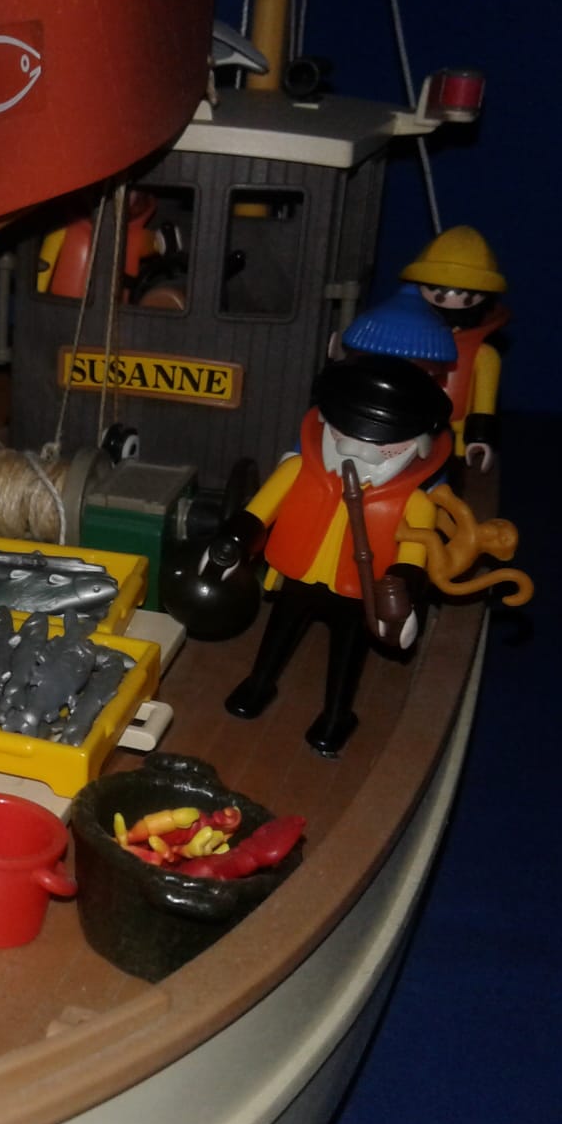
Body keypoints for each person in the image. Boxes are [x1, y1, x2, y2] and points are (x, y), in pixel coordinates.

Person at [210, 355, 453, 756]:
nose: (357, 449)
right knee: (277, 636)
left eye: (384, 445)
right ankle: (259, 684)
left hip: (358, 592)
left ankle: (337, 714)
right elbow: (258, 513)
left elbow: (412, 557)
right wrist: (232, 544)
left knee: (346, 656)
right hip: (299, 576)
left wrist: (399, 598)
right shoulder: (296, 471)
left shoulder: (415, 503)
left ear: (419, 445)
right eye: (344, 431)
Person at [400, 225, 507, 471]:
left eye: (467, 297)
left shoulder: (484, 355)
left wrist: (480, 437)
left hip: (457, 429)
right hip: (410, 424)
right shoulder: (407, 342)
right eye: (437, 294)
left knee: (452, 471)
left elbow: (484, 404)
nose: (449, 302)